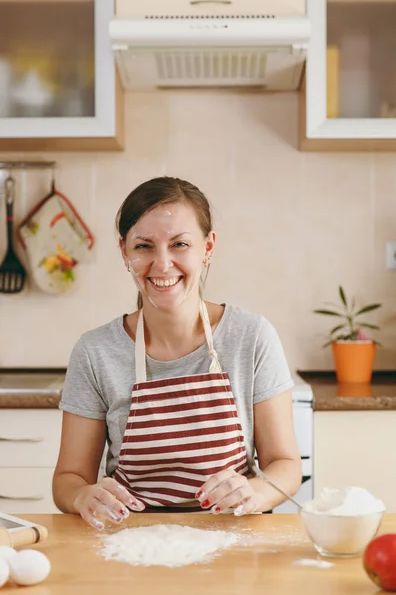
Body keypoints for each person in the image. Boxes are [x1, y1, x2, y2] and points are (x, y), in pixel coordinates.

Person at [53, 176, 302, 530]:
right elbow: (68, 477)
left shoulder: (251, 337)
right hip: (130, 544)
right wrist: (82, 496)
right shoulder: (95, 352)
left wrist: (255, 494)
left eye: (180, 244)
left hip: (233, 540)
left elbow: (286, 464)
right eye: (144, 246)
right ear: (124, 250)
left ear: (208, 247)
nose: (163, 263)